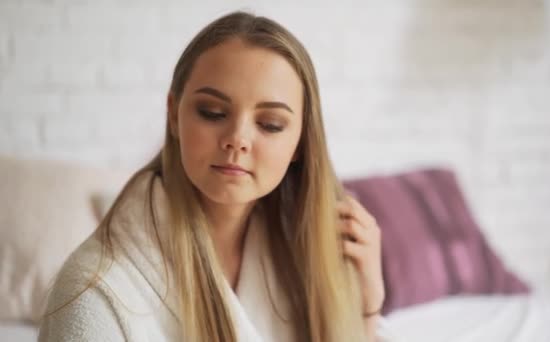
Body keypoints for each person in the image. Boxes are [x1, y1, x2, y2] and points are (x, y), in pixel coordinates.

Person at [38, 11, 393, 342]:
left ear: (300, 143)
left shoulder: (301, 260)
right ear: (174, 115)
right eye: (212, 112)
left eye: (270, 124)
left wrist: (367, 305)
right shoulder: (93, 294)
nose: (237, 139)